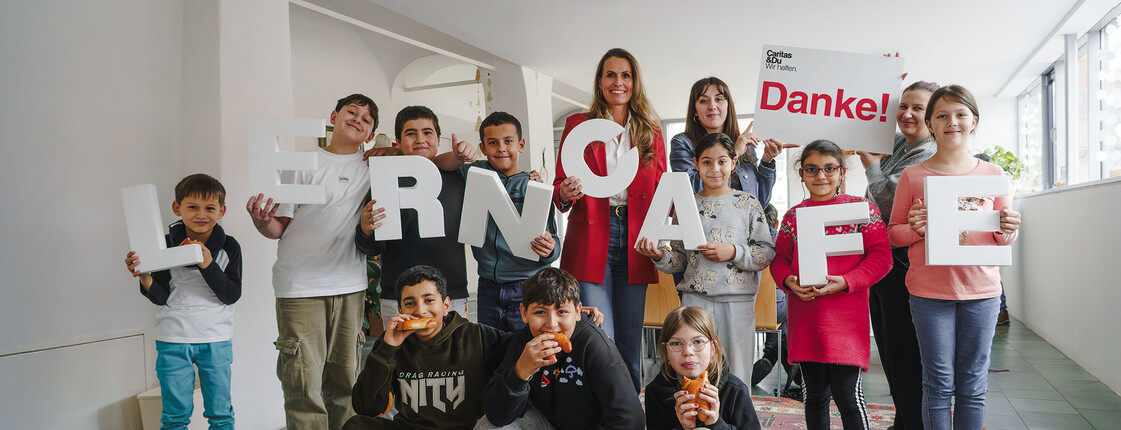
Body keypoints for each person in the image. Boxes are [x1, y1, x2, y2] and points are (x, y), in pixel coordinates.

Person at [888, 85, 1021, 429]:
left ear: (973, 120)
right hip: (929, 294)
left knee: (973, 384)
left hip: (982, 292)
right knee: (938, 383)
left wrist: (1009, 227)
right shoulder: (913, 175)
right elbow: (894, 233)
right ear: (930, 124)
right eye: (942, 116)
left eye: (961, 114)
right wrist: (915, 228)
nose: (952, 122)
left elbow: (1001, 235)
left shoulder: (994, 176)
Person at [246, 94, 378, 429]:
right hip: (300, 286)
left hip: (350, 286)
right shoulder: (303, 163)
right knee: (303, 385)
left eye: (366, 119)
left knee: (346, 383)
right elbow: (278, 227)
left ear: (371, 134)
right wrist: (261, 220)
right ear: (333, 116)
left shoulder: (373, 168)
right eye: (352, 112)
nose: (358, 119)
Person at [551, 48, 667, 392]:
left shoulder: (650, 129)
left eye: (626, 75)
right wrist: (566, 193)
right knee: (601, 339)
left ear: (635, 83)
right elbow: (560, 186)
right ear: (600, 82)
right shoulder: (578, 125)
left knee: (631, 344)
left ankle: (630, 416)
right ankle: (601, 415)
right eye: (611, 75)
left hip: (636, 239)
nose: (618, 82)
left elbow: (662, 188)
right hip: (592, 236)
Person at [770, 140, 892, 430]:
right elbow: (780, 260)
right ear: (801, 173)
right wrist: (788, 281)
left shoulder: (862, 210)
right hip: (807, 318)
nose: (821, 176)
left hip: (846, 319)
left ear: (842, 172)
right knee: (813, 396)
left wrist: (847, 281)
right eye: (812, 169)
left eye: (829, 169)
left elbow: (882, 258)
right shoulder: (792, 216)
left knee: (848, 397)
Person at [635, 132, 775, 383]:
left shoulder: (748, 203)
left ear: (734, 162)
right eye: (707, 162)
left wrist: (733, 251)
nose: (715, 169)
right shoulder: (687, 207)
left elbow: (766, 252)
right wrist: (659, 255)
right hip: (695, 301)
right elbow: (679, 259)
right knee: (694, 370)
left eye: (722, 161)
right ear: (696, 163)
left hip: (738, 300)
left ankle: (736, 420)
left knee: (737, 373)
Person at [125, 173, 241, 430]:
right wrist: (144, 277)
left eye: (210, 208)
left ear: (221, 211)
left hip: (216, 339)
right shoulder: (163, 245)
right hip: (173, 338)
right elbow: (161, 296)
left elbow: (230, 295)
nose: (201, 214)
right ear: (177, 208)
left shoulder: (230, 247)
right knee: (174, 417)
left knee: (221, 414)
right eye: (192, 207)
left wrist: (207, 264)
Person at [855, 80, 939, 430]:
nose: (906, 114)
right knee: (889, 348)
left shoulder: (928, 153)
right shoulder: (899, 145)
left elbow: (891, 202)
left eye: (918, 108)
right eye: (903, 106)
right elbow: (866, 128)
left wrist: (871, 168)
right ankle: (903, 420)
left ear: (933, 117)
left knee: (904, 351)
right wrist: (883, 82)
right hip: (881, 260)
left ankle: (912, 423)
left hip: (903, 262)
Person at [343, 265, 511, 430]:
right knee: (356, 425)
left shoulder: (478, 336)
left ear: (445, 306)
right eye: (410, 304)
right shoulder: (391, 343)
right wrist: (387, 349)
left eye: (429, 300)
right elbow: (366, 408)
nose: (420, 310)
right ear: (400, 310)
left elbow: (520, 349)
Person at [356, 106, 476, 329]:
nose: (420, 139)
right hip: (399, 296)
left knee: (452, 362)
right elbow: (372, 247)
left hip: (451, 293)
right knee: (400, 361)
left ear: (438, 139)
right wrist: (365, 229)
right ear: (398, 142)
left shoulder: (460, 176)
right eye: (411, 133)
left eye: (427, 132)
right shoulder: (385, 181)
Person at [482, 267, 644, 429]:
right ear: (524, 313)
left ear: (578, 311)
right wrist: (520, 372)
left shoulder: (594, 345)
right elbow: (497, 416)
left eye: (562, 311)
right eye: (540, 312)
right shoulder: (522, 344)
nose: (551, 324)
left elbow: (630, 419)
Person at [444, 111, 561, 331]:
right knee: (491, 349)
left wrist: (551, 249)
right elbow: (440, 164)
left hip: (528, 286)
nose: (501, 148)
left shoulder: (534, 187)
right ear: (483, 148)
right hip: (488, 286)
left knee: (526, 347)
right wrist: (457, 155)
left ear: (521, 145)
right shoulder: (472, 172)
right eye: (493, 143)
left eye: (508, 141)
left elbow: (554, 241)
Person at [670, 77, 797, 206]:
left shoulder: (744, 144)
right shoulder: (682, 143)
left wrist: (767, 160)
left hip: (745, 225)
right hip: (706, 225)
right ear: (695, 111)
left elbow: (760, 204)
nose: (712, 106)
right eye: (704, 101)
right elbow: (690, 192)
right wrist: (733, 154)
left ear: (728, 106)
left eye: (719, 99)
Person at [644, 306, 762, 430]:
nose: (688, 351)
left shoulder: (734, 390)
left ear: (713, 349)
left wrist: (716, 424)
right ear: (665, 351)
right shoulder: (655, 392)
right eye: (676, 343)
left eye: (698, 342)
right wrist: (683, 427)